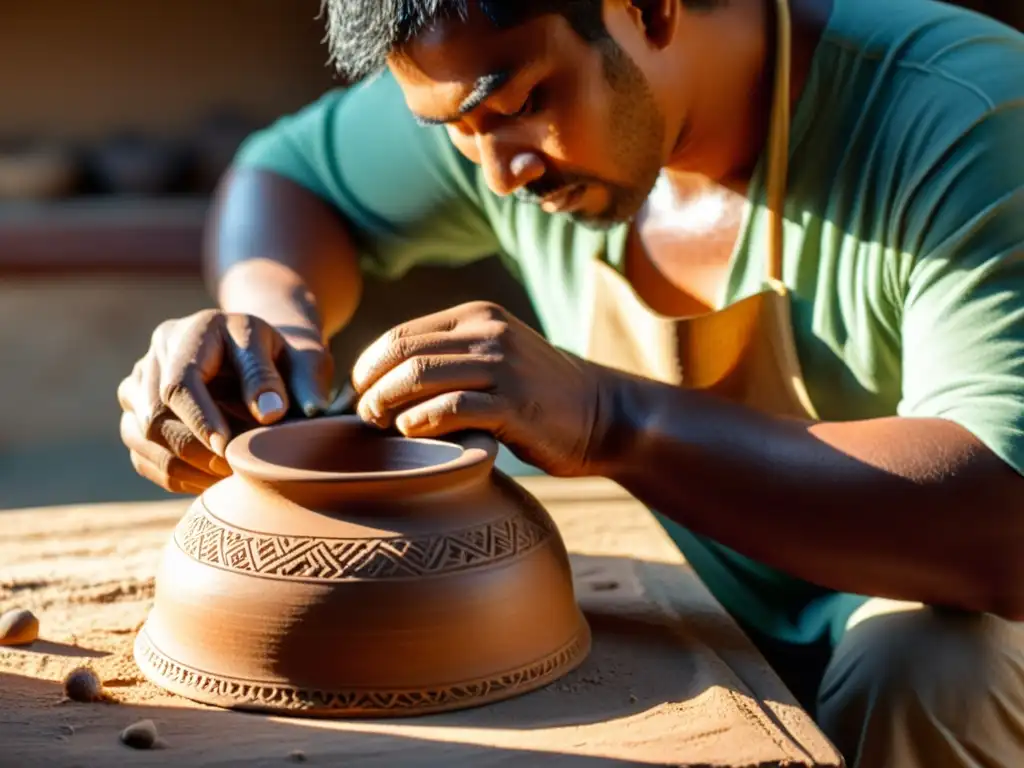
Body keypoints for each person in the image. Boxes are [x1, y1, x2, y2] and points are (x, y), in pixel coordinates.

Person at [116, 0, 1024, 764]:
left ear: (651, 8)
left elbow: (1001, 522)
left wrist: (608, 416)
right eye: (457, 133)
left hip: (950, 600)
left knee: (931, 663)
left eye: (522, 104)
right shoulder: (489, 74)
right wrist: (270, 321)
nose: (499, 172)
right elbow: (287, 178)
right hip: (699, 596)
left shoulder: (969, 113)